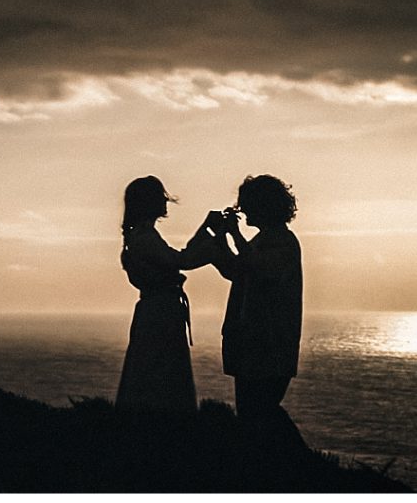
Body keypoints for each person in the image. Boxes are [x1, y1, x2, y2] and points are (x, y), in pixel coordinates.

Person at [212, 175, 306, 471]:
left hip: (269, 342)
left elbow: (261, 270)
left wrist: (234, 236)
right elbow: (237, 270)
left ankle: (298, 465)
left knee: (260, 411)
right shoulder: (265, 240)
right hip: (254, 341)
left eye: (248, 205)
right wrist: (221, 239)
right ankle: (283, 468)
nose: (243, 210)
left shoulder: (283, 241)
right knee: (254, 414)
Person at [115, 176, 218, 413]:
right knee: (162, 373)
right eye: (160, 197)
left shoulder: (140, 236)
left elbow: (178, 259)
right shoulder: (145, 237)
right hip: (160, 312)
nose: (165, 201)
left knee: (150, 371)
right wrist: (211, 250)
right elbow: (181, 260)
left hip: (156, 310)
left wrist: (206, 231)